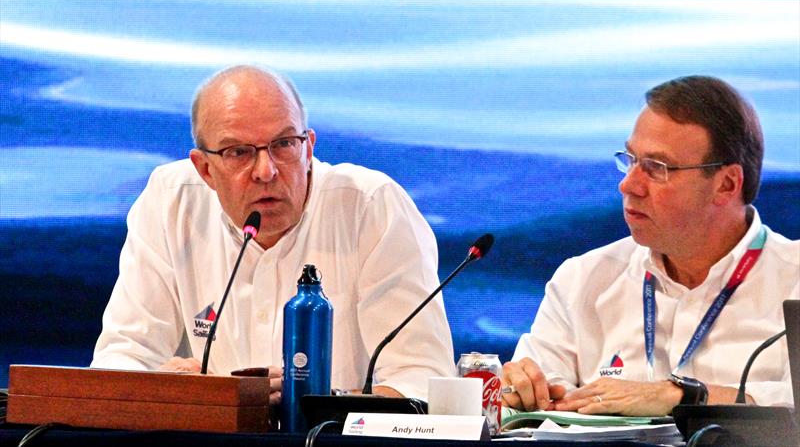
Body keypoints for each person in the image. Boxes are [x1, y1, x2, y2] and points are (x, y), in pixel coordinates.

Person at [91, 65, 456, 402]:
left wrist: (322, 407)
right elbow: (122, 358)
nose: (266, 171)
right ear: (205, 170)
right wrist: (176, 391)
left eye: (283, 145)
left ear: (308, 147)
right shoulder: (170, 202)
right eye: (239, 152)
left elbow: (421, 378)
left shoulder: (372, 207)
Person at [502, 75, 799, 416]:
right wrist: (522, 391)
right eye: (630, 160)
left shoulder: (793, 279)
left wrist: (683, 397)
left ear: (726, 184)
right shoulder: (583, 279)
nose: (629, 185)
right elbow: (528, 398)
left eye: (657, 168)